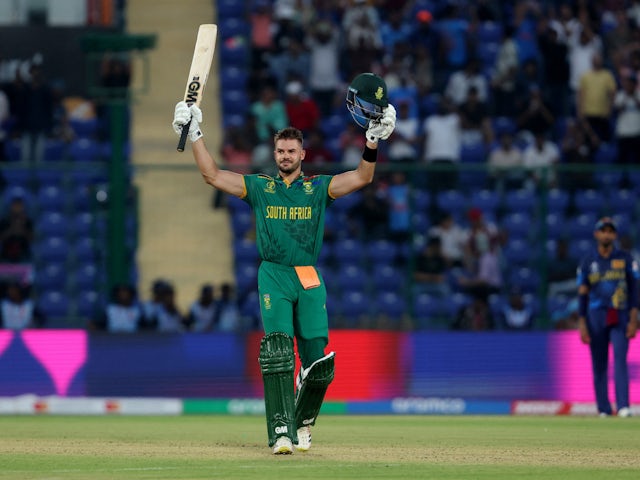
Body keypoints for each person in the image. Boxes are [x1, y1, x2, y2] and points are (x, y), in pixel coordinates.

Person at [172, 72, 396, 454]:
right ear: (274, 154)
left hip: (308, 275)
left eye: (292, 151)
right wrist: (194, 132)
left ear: (302, 155)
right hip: (273, 273)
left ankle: (303, 422)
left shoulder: (318, 188)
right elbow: (212, 175)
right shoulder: (261, 187)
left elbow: (363, 176)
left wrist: (372, 140)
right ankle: (280, 430)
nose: (285, 156)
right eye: (280, 151)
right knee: (277, 347)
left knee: (318, 363)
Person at [576, 217, 639, 417]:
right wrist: (582, 321)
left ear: (615, 235)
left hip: (619, 314)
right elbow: (582, 293)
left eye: (610, 231)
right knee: (599, 362)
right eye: (603, 230)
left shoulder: (625, 259)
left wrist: (634, 316)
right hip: (596, 315)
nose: (606, 234)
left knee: (620, 359)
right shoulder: (588, 261)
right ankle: (603, 408)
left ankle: (623, 406)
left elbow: (635, 289)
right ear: (596, 234)